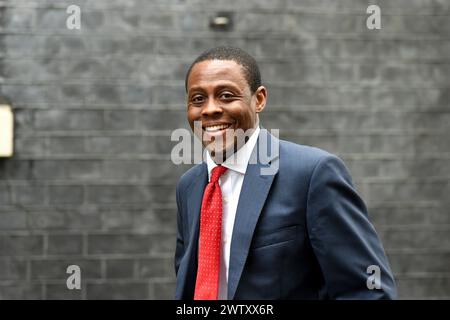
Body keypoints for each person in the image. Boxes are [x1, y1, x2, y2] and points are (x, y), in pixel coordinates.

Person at [174, 46, 397, 300]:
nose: (209, 109)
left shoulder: (313, 174)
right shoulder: (189, 186)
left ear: (259, 100)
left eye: (226, 95)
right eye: (198, 99)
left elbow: (368, 291)